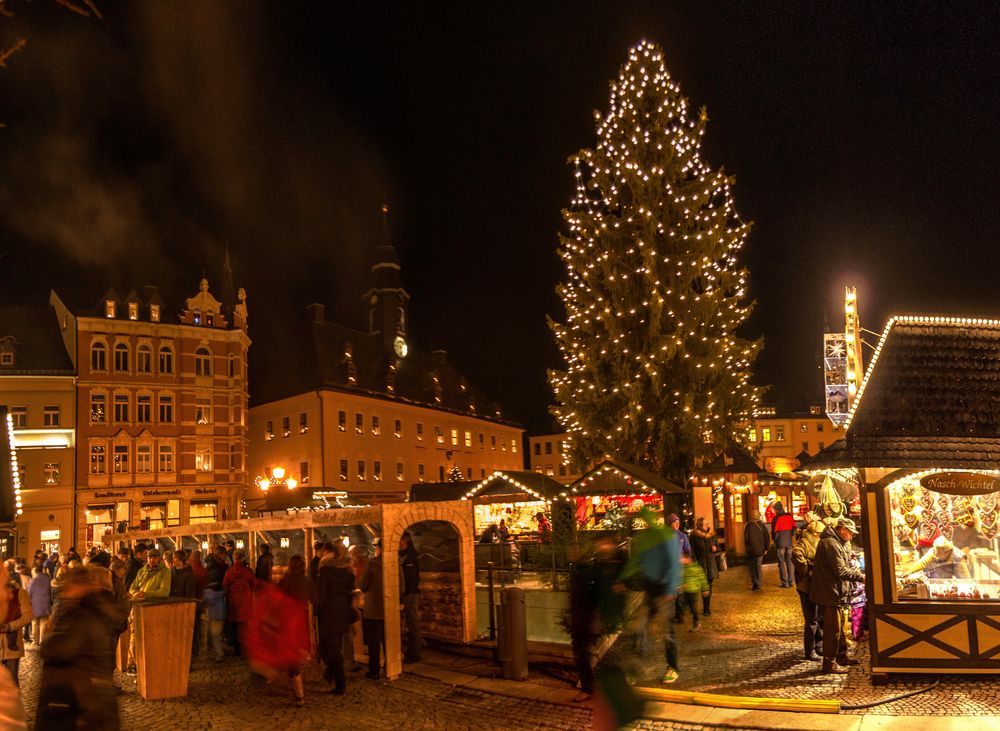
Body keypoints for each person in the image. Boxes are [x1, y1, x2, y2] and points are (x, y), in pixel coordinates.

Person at [34, 566, 121, 729]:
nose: (65, 593)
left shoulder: (81, 615)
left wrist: (48, 637)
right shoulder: (99, 609)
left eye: (68, 587)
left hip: (81, 700)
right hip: (94, 696)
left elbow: (59, 649)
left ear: (77, 587)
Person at [617, 508, 683, 684]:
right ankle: (645, 668)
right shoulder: (657, 535)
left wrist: (669, 590)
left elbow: (672, 564)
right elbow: (673, 564)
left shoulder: (657, 536)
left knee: (658, 631)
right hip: (656, 589)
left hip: (659, 589)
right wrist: (622, 577)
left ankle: (671, 667)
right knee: (646, 629)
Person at [568, 536, 625, 702]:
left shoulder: (598, 568)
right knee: (585, 653)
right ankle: (594, 686)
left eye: (605, 544)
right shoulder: (591, 568)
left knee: (585, 653)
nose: (602, 547)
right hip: (584, 616)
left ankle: (591, 687)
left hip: (587, 616)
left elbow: (604, 591)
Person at [809, 516, 865, 674]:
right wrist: (862, 577)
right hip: (830, 592)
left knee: (840, 627)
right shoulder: (831, 544)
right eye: (850, 533)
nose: (852, 536)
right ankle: (829, 663)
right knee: (833, 629)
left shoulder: (839, 542)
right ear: (842, 530)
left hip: (837, 592)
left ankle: (841, 656)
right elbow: (840, 570)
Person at [315, 543, 356, 694]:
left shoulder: (325, 570)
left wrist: (318, 613)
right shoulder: (348, 572)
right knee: (336, 647)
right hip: (343, 613)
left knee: (333, 650)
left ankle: (340, 684)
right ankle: (329, 675)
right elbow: (351, 592)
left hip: (329, 614)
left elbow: (321, 595)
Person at [791, 513, 825, 661]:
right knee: (811, 619)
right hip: (806, 586)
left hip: (817, 585)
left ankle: (819, 646)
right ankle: (809, 650)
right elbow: (796, 554)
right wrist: (806, 569)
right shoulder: (805, 542)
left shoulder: (817, 542)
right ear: (816, 533)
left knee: (819, 617)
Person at [278, 555, 311, 704]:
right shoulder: (305, 581)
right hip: (301, 619)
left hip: (287, 620)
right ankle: (296, 688)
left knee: (291, 656)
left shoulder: (286, 581)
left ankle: (299, 695)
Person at [359, 542, 387, 679]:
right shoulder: (396, 563)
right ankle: (390, 668)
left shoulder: (372, 564)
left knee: (374, 642)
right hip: (389, 609)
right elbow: (402, 587)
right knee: (389, 641)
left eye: (376, 547)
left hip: (373, 609)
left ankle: (374, 670)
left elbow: (363, 585)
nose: (375, 550)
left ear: (380, 549)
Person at [223, 549, 255, 657]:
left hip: (233, 604)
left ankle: (237, 650)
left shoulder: (229, 572)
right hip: (246, 603)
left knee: (234, 628)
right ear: (243, 558)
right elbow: (254, 585)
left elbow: (225, 586)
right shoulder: (248, 571)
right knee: (245, 627)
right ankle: (246, 649)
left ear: (233, 558)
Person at [0, 579, 32, 684]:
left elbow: (28, 616)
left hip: (12, 647)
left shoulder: (20, 593)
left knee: (12, 682)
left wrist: (10, 626)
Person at [399, 531, 423, 663]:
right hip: (402, 593)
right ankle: (406, 649)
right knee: (406, 623)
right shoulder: (399, 555)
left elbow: (411, 577)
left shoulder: (411, 557)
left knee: (412, 623)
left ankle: (415, 651)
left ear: (405, 541)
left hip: (410, 594)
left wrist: (405, 591)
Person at [688, 517, 718, 617]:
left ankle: (706, 608)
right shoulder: (694, 536)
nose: (707, 525)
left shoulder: (712, 535)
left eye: (708, 523)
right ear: (700, 525)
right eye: (705, 524)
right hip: (700, 566)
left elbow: (718, 547)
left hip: (710, 565)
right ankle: (692, 607)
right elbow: (692, 552)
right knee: (700, 588)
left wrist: (715, 548)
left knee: (708, 587)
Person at [904, 535, 971, 579]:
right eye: (934, 551)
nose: (935, 554)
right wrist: (909, 571)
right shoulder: (935, 550)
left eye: (938, 553)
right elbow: (923, 562)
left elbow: (965, 579)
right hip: (935, 580)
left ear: (947, 552)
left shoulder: (958, 558)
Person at [204, 545, 229, 661]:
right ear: (221, 555)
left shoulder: (213, 566)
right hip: (218, 608)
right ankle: (218, 652)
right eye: (224, 555)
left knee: (214, 632)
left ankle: (216, 651)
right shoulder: (216, 569)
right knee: (215, 633)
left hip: (215, 610)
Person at [665, 514, 691, 623]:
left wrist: (686, 559)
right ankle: (673, 615)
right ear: (669, 524)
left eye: (678, 522)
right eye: (674, 522)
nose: (677, 524)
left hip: (680, 569)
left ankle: (680, 616)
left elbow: (688, 551)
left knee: (680, 593)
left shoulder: (682, 536)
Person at [679, 551, 709, 632]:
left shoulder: (695, 567)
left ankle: (697, 623)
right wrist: (680, 585)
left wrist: (705, 589)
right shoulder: (683, 568)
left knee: (693, 608)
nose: (680, 560)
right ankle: (681, 617)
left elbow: (702, 579)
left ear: (688, 558)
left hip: (693, 591)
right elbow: (681, 578)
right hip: (685, 591)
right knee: (681, 604)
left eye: (682, 558)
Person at [771, 502, 797, 588]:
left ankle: (784, 582)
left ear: (777, 510)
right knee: (789, 561)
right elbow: (794, 527)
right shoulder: (789, 516)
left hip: (780, 543)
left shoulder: (776, 518)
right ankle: (791, 581)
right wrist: (790, 535)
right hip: (789, 542)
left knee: (781, 563)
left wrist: (775, 540)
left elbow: (775, 532)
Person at [743, 511, 771, 591]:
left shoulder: (748, 525)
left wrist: (747, 548)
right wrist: (766, 548)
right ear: (759, 516)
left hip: (751, 550)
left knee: (752, 566)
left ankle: (755, 582)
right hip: (760, 549)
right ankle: (759, 583)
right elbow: (766, 537)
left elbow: (746, 538)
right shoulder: (762, 525)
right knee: (758, 566)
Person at [28, 567, 51, 646]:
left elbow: (29, 592)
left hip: (35, 605)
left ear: (35, 572)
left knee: (35, 623)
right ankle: (42, 640)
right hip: (45, 604)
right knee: (43, 623)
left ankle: (35, 641)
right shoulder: (47, 579)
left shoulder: (33, 580)